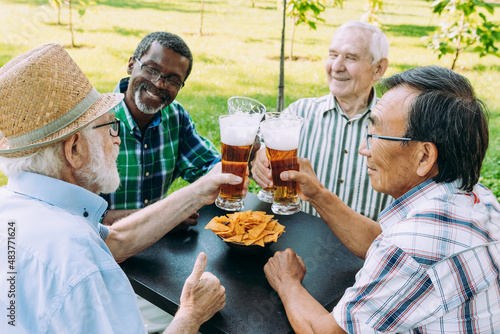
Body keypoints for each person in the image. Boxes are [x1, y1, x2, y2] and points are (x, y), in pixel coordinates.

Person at [0, 44, 245, 334]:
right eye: (110, 127)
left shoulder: (13, 206)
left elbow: (114, 241)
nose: (117, 139)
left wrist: (200, 189)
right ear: (74, 149)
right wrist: (191, 314)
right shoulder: (79, 266)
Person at [263, 65, 500, 333]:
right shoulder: (480, 198)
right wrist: (317, 193)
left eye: (375, 135)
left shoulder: (409, 248)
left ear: (424, 156)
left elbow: (325, 331)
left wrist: (287, 282)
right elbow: (382, 242)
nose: (364, 149)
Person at [251, 21, 392, 221]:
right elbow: (259, 149)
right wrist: (258, 157)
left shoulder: (394, 128)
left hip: (366, 248)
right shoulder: (299, 113)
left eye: (350, 58)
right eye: (333, 55)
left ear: (378, 68)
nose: (336, 67)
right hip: (302, 241)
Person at [100, 31, 220, 229]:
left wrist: (249, 155)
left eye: (172, 80)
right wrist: (166, 215)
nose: (158, 84)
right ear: (131, 64)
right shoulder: (95, 122)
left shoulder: (176, 117)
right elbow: (78, 214)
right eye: (151, 69)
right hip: (102, 249)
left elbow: (211, 170)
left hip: (161, 249)